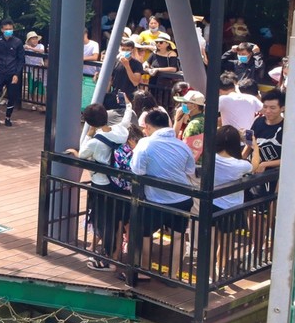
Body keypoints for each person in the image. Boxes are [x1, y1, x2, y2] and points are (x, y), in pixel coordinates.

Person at [130, 107, 197, 279]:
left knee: (145, 234)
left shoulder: (145, 143)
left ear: (149, 127)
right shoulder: (182, 145)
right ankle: (173, 275)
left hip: (155, 199)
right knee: (178, 237)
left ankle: (144, 271)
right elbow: (190, 170)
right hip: (182, 198)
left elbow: (137, 169)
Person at [70, 103, 129, 269]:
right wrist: (129, 106)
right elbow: (125, 121)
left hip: (102, 185)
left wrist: (87, 137)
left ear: (89, 122)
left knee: (104, 222)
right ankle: (115, 255)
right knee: (118, 221)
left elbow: (82, 155)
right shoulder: (120, 131)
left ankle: (107, 258)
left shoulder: (94, 142)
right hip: (120, 185)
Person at [208, 125, 257, 277]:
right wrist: (254, 146)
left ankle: (208, 272)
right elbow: (254, 165)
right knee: (226, 241)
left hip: (211, 203)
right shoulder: (239, 165)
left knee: (210, 240)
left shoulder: (210, 157)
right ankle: (219, 268)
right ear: (236, 143)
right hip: (231, 207)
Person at [0, 20, 24, 127]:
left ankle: (8, 117)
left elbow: (21, 60)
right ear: (2, 30)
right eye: (6, 29)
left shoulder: (18, 42)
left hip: (12, 73)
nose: (8, 31)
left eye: (10, 29)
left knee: (11, 96)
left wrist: (17, 74)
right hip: (0, 72)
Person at [249, 90, 285, 194]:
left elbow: (289, 160)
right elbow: (250, 142)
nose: (267, 111)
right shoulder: (258, 121)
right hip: (253, 170)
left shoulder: (286, 128)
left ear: (282, 108)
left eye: (272, 108)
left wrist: (265, 164)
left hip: (273, 175)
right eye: (265, 107)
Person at [174, 88, 207, 160]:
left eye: (186, 103)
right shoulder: (205, 120)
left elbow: (187, 150)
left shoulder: (193, 125)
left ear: (195, 106)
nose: (183, 105)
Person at [24, 31, 46, 102]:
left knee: (41, 86)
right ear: (29, 40)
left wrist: (31, 48)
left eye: (36, 38)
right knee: (31, 86)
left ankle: (41, 101)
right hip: (30, 69)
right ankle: (32, 101)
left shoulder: (41, 46)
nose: (35, 40)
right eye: (33, 39)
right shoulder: (25, 47)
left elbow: (41, 51)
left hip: (40, 69)